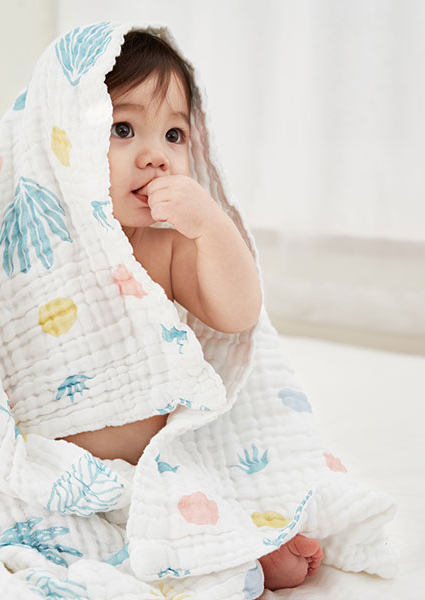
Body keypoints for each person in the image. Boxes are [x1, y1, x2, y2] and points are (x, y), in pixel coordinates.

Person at [61, 30, 323, 591]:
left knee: (201, 495)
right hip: (61, 468)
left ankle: (245, 543)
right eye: (123, 128)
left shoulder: (167, 248)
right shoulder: (40, 247)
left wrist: (210, 226)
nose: (156, 154)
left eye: (174, 134)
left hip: (155, 465)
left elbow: (237, 314)